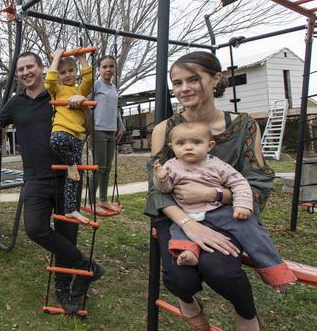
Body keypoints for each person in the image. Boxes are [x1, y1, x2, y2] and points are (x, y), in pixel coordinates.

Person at [0, 52, 104, 314]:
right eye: (20, 70)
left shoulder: (60, 92)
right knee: (35, 228)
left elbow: (88, 128)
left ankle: (64, 288)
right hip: (36, 178)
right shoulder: (16, 103)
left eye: (30, 67)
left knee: (67, 235)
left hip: (67, 175)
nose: (25, 72)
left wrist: (81, 104)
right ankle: (86, 267)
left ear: (42, 69)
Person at [145, 51, 277, 331]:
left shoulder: (244, 126)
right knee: (180, 279)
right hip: (175, 214)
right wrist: (189, 225)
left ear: (215, 79)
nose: (184, 89)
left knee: (221, 271)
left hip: (226, 213)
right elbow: (155, 190)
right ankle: (190, 303)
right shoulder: (165, 130)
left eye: (193, 79)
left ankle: (247, 316)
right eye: (177, 83)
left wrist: (215, 196)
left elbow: (258, 182)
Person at [153, 121, 296, 290]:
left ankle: (273, 269)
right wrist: (161, 178)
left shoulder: (217, 165)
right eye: (181, 143)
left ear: (210, 145)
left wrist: (242, 205)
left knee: (251, 229)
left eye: (196, 142)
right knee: (177, 232)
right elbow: (165, 189)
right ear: (172, 146)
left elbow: (240, 183)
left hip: (218, 210)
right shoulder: (171, 166)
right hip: (187, 213)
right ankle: (189, 254)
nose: (188, 148)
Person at [45, 50, 93, 223]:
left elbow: (88, 79)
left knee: (74, 178)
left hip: (77, 136)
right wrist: (56, 58)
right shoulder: (57, 90)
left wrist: (82, 59)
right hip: (61, 130)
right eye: (62, 72)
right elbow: (49, 81)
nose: (67, 75)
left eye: (71, 70)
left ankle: (71, 209)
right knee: (56, 140)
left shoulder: (80, 90)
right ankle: (71, 164)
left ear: (76, 71)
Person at [90, 55, 125, 215]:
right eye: (104, 67)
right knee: (99, 168)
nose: (108, 69)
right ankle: (91, 202)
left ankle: (103, 200)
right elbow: (85, 102)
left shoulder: (113, 88)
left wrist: (121, 126)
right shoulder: (96, 85)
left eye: (111, 66)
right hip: (98, 130)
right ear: (98, 69)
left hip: (111, 130)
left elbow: (115, 108)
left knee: (108, 168)